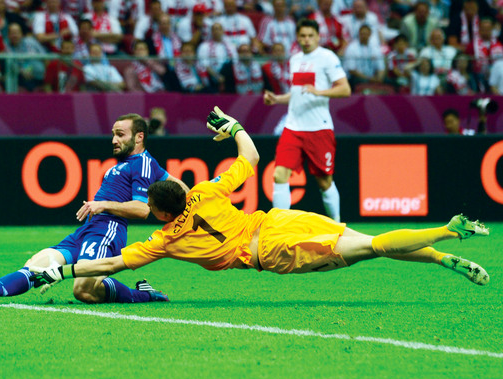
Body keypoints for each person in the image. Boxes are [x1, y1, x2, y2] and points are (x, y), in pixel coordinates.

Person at [30, 106, 490, 303]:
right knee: (368, 240)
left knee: (371, 248)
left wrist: (64, 272)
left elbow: (110, 264)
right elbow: (250, 157)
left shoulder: (165, 239)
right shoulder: (205, 190)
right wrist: (233, 126)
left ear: (163, 214)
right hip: (280, 220)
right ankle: (440, 256)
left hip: (273, 252)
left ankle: (448, 230)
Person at [0, 113, 189, 306]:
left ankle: (145, 295)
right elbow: (181, 188)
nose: (114, 140)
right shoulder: (135, 164)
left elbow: (142, 209)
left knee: (83, 290)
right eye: (113, 134)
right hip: (87, 230)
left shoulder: (143, 163)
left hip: (108, 231)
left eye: (120, 134)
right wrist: (195, 198)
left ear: (139, 137)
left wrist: (103, 204)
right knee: (36, 265)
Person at [264, 18, 350, 223]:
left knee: (324, 182)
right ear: (297, 37)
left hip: (319, 128)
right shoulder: (295, 59)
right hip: (293, 127)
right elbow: (297, 94)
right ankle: (279, 227)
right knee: (279, 175)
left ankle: (337, 224)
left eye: (311, 36)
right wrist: (277, 99)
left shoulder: (327, 57)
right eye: (302, 36)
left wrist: (319, 92)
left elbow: (345, 89)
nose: (307, 39)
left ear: (318, 37)